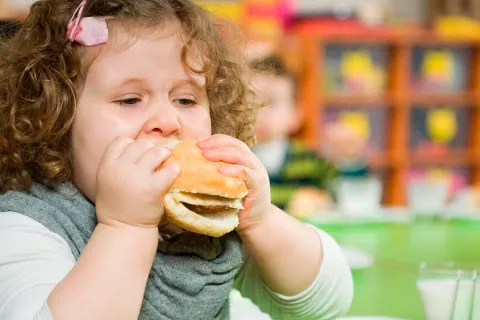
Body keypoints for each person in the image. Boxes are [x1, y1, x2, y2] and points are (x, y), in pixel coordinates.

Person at [0, 1, 353, 319]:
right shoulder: (27, 227)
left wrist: (261, 221)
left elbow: (326, 303)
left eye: (185, 100)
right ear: (56, 120)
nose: (168, 121)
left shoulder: (202, 219)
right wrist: (125, 227)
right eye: (130, 100)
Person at [249, 55, 369, 215]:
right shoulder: (234, 157)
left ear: (296, 114)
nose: (259, 113)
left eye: (271, 102)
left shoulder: (310, 160)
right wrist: (293, 199)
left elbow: (347, 194)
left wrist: (350, 159)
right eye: (249, 102)